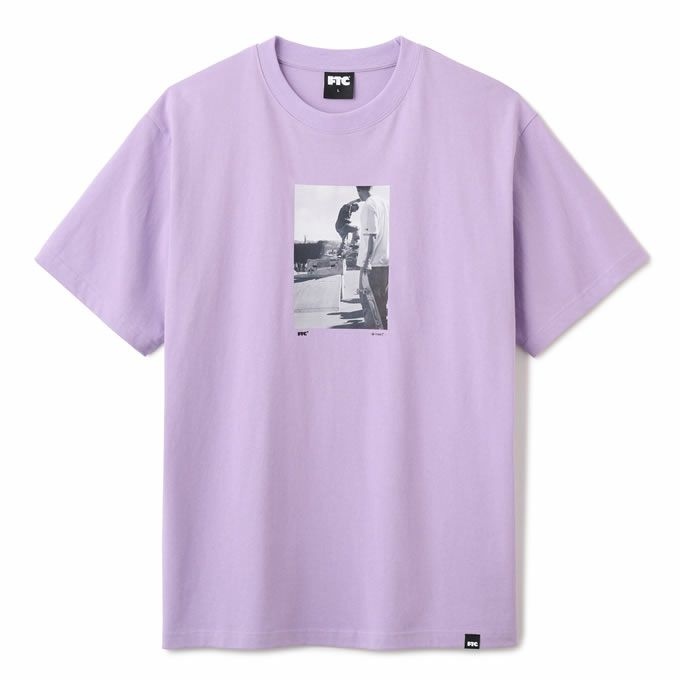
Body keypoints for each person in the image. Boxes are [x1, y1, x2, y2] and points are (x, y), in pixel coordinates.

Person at [356, 186, 389, 329]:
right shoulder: (385, 203)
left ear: (357, 189)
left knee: (370, 309)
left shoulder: (369, 205)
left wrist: (366, 263)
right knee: (381, 310)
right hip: (385, 263)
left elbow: (372, 235)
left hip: (372, 265)